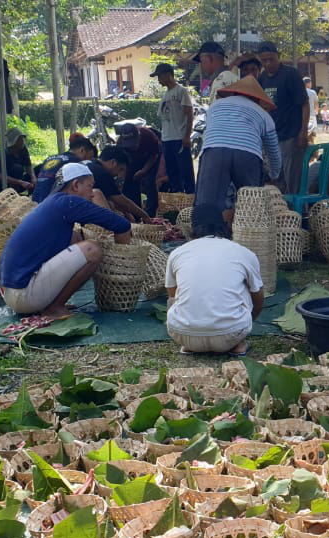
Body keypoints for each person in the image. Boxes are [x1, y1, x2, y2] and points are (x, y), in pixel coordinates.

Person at [0, 162, 132, 318]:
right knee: (92, 249)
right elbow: (122, 225)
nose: (92, 194)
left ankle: (51, 302)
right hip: (23, 295)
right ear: (75, 185)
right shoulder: (68, 202)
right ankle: (54, 307)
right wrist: (124, 267)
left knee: (74, 237)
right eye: (90, 186)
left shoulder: (53, 202)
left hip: (10, 293)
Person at [192, 75, 282, 236]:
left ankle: (205, 236)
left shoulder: (216, 106)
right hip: (248, 155)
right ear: (256, 99)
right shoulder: (264, 115)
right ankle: (251, 238)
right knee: (250, 202)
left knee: (208, 202)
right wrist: (274, 174)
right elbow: (274, 152)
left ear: (234, 93)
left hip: (214, 152)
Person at [165, 223, 264, 355]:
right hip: (231, 334)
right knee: (248, 286)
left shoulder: (177, 252)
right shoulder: (243, 252)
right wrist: (247, 323)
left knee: (177, 296)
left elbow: (172, 293)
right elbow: (258, 298)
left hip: (183, 334)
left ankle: (190, 345)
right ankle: (238, 344)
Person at [257, 42, 310, 194]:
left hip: (291, 136)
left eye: (271, 59)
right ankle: (282, 213)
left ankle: (297, 212)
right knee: (277, 179)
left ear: (278, 57)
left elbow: (304, 104)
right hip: (272, 138)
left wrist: (303, 132)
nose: (268, 63)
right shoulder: (262, 79)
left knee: (293, 179)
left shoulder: (290, 74)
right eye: (264, 60)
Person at [154, 62, 195, 195]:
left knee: (185, 170)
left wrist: (187, 135)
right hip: (167, 138)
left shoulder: (180, 91)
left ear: (168, 75)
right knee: (172, 171)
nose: (158, 80)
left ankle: (190, 196)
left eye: (160, 76)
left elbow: (189, 113)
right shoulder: (165, 95)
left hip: (179, 137)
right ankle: (177, 195)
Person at [86, 146, 148, 222]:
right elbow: (122, 202)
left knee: (110, 203)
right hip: (79, 208)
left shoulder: (92, 164)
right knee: (98, 195)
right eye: (120, 169)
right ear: (113, 162)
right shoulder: (101, 173)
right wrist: (144, 215)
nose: (118, 175)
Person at [31, 136, 96, 203]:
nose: (89, 160)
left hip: (35, 200)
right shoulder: (75, 164)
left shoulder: (50, 158)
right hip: (51, 203)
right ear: (82, 150)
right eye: (90, 157)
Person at [116, 123, 162, 217]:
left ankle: (150, 215)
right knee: (130, 182)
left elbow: (154, 156)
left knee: (150, 184)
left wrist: (144, 171)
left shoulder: (148, 136)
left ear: (139, 135)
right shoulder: (120, 143)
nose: (133, 146)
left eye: (134, 143)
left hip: (150, 158)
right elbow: (121, 164)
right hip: (132, 160)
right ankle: (135, 214)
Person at [0, 126, 34, 195]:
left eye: (22, 138)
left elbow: (28, 165)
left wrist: (33, 177)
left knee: (40, 169)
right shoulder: (2, 153)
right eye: (20, 139)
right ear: (15, 142)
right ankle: (12, 194)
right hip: (6, 185)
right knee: (17, 168)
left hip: (21, 182)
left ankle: (33, 195)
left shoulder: (23, 149)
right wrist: (20, 182)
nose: (22, 141)